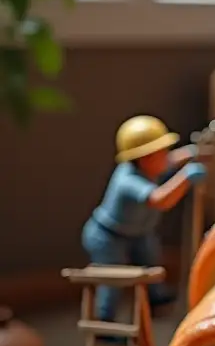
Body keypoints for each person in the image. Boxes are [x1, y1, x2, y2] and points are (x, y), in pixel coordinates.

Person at [83, 116, 207, 322]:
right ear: (145, 158)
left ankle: (156, 298)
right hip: (108, 237)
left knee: (151, 259)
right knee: (113, 279)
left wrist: (191, 152)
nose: (166, 157)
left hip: (138, 234)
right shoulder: (128, 181)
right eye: (161, 153)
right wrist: (186, 177)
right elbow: (159, 200)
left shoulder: (149, 166)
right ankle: (104, 318)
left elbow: (170, 161)